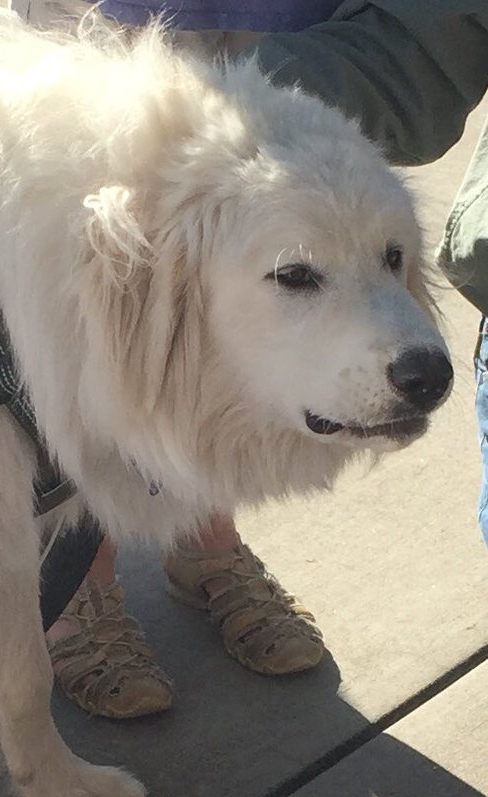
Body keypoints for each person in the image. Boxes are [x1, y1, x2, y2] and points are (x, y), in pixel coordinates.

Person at [46, 0, 488, 720]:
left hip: (279, 23)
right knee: (95, 346)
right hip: (90, 28)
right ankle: (76, 584)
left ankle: (207, 544)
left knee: (233, 343)